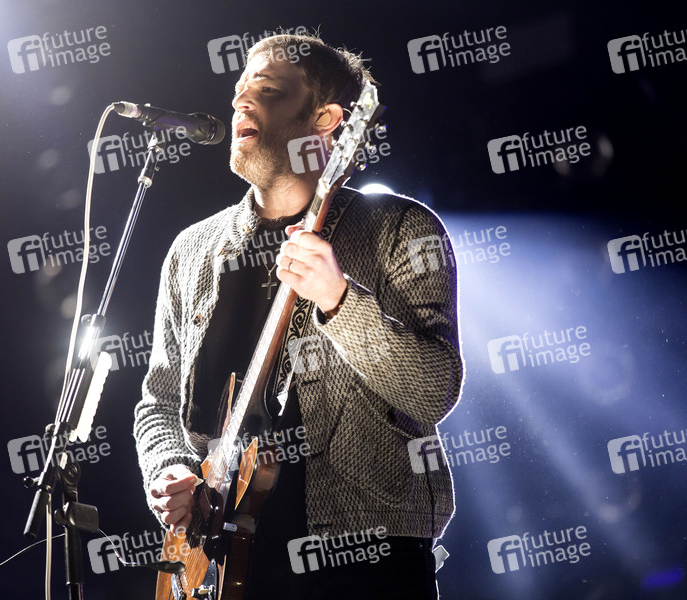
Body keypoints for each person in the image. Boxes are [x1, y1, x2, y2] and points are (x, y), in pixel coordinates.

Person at [134, 33, 463, 599]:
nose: (240, 101)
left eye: (266, 90)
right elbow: (159, 402)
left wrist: (339, 300)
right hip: (227, 559)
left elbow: (433, 392)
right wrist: (168, 469)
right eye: (238, 90)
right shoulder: (192, 251)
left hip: (366, 558)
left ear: (327, 119)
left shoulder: (401, 229)